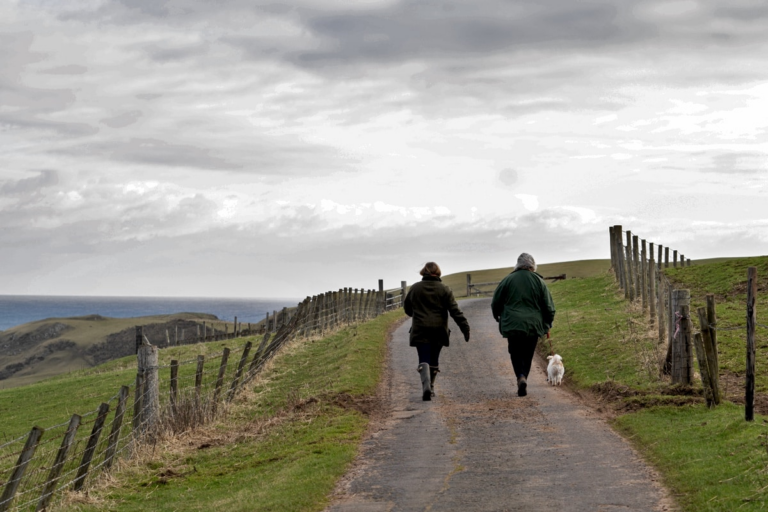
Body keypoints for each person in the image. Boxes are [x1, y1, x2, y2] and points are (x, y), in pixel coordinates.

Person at [491, 253, 556, 397]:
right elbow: (549, 306)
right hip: (533, 325)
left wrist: (497, 316)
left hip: (512, 324)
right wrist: (548, 322)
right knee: (528, 353)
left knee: (514, 352)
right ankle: (524, 377)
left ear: (517, 264)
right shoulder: (539, 281)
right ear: (532, 265)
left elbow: (496, 302)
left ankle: (520, 376)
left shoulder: (507, 280)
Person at [404, 262, 470, 401]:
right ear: (438, 273)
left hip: (420, 328)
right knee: (434, 359)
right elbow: (454, 311)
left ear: (423, 272)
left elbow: (408, 309)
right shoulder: (444, 289)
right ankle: (431, 386)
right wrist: (465, 327)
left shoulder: (415, 288)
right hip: (439, 330)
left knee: (423, 358)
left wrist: (416, 313)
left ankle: (425, 385)